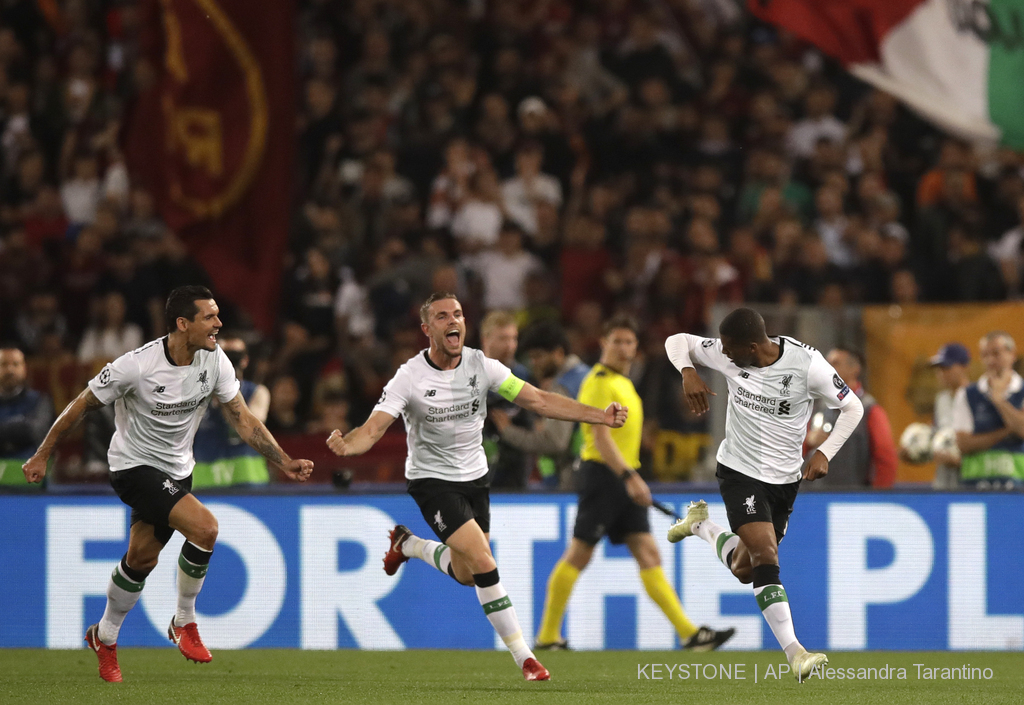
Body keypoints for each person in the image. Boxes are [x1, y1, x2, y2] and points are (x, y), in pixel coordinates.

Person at [325, 292, 628, 682]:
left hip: (475, 479)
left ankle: (408, 545)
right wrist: (348, 445)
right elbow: (373, 428)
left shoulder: (481, 365)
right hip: (432, 481)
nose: (453, 321)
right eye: (442, 316)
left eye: (458, 314)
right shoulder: (410, 376)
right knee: (485, 560)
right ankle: (525, 657)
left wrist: (598, 417)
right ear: (427, 329)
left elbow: (537, 400)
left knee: (469, 573)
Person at [22, 286, 314, 683]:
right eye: (209, 317)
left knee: (140, 560)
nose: (218, 324)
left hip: (177, 470)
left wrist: (284, 460)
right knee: (206, 528)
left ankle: (104, 636)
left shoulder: (215, 360)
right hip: (133, 468)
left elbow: (243, 419)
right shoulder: (135, 366)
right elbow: (81, 404)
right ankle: (184, 622)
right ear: (183, 324)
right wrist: (43, 454)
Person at [664, 308, 865, 682]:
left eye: (730, 348)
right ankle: (796, 652)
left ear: (754, 347)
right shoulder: (727, 353)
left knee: (744, 568)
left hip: (784, 481)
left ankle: (701, 526)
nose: (721, 354)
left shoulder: (808, 366)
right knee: (765, 554)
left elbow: (852, 406)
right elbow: (677, 341)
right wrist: (688, 370)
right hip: (739, 471)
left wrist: (824, 452)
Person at [534, 315, 734, 651]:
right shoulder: (598, 381)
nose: (624, 349)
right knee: (579, 553)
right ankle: (547, 636)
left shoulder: (623, 383)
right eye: (618, 341)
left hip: (621, 476)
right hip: (604, 475)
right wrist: (629, 477)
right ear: (604, 343)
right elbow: (600, 437)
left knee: (648, 553)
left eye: (630, 342)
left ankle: (690, 635)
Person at [494, 321, 591, 488]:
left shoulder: (564, 386)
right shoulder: (587, 375)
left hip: (577, 477)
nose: (533, 362)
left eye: (538, 356)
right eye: (531, 357)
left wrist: (507, 431)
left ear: (559, 353)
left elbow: (555, 443)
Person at [804, 347, 897, 488]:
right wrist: (808, 441)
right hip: (813, 498)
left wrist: (878, 498)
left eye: (835, 363)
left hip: (852, 499)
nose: (827, 368)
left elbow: (885, 459)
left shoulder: (870, 410)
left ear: (855, 369)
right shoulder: (817, 406)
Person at [191, 334, 273, 488]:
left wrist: (225, 392)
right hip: (204, 483)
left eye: (234, 357)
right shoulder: (197, 394)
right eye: (223, 355)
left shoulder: (257, 392)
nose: (228, 361)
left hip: (247, 481)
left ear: (245, 360)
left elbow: (248, 429)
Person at [953, 332, 1024, 489]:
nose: (990, 360)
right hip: (975, 488)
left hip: (1019, 490)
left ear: (1012, 354)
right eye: (985, 355)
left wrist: (998, 400)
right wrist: (1006, 430)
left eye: (996, 353)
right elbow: (963, 444)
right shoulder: (966, 394)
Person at [479, 310, 532, 489]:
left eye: (513, 338)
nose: (510, 345)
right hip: (476, 464)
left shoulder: (523, 375)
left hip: (516, 464)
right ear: (485, 339)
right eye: (503, 338)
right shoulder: (469, 374)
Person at [0, 345, 54, 486]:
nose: (10, 370)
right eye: (4, 364)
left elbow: (35, 432)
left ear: (24, 369)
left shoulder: (40, 400)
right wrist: (20, 424)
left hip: (29, 477)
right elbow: (26, 429)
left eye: (15, 364)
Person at [927, 343, 971, 489]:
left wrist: (959, 460)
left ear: (964, 367)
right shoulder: (941, 399)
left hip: (970, 481)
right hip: (943, 481)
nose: (941, 373)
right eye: (939, 369)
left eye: (947, 367)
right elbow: (937, 436)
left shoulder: (977, 397)